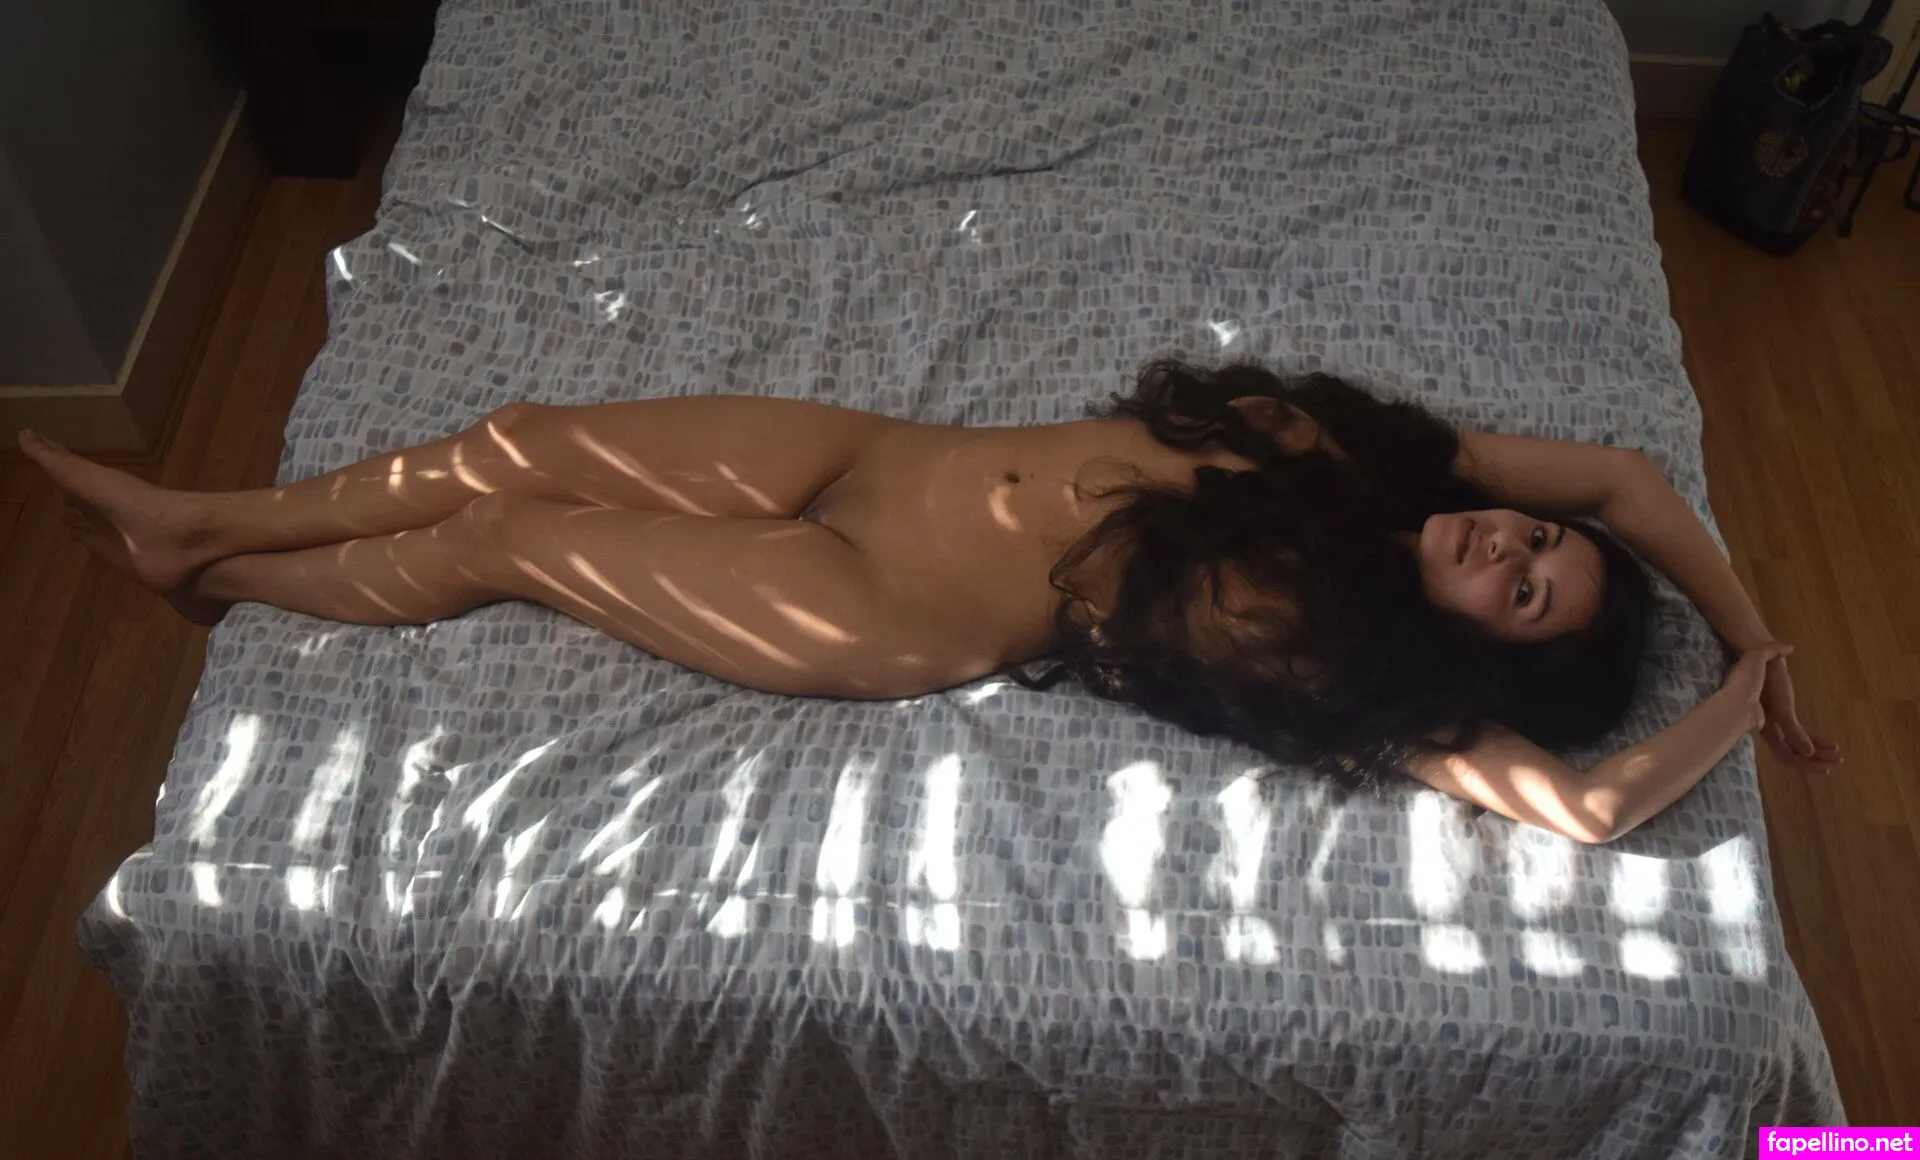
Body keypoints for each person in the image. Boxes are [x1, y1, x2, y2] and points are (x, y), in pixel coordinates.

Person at [18, 360, 1840, 843]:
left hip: (876, 598)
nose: (1515, 551)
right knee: (518, 444)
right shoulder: (1378, 454)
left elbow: (1589, 810)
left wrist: (1740, 685)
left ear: (1474, 645)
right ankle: (200, 521)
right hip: (874, 453)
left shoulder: (1366, 673)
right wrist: (1749, 607)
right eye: (1536, 545)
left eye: (1526, 599)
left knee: (509, 542)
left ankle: (208, 568)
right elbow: (1627, 481)